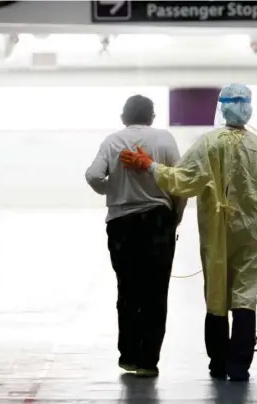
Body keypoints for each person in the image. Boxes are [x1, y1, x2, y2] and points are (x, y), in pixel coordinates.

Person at [119, 83, 257, 382]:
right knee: (245, 295)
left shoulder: (209, 143)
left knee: (216, 294)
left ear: (222, 107)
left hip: (218, 229)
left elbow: (183, 180)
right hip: (252, 232)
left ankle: (218, 363)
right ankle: (239, 366)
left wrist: (149, 166)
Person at [85, 95, 186, 378]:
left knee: (127, 290)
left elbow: (93, 175)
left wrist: (112, 190)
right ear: (152, 117)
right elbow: (178, 183)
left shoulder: (112, 142)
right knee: (156, 292)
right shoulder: (165, 139)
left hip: (121, 224)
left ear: (123, 117)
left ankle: (128, 356)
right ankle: (148, 361)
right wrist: (175, 217)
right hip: (157, 221)